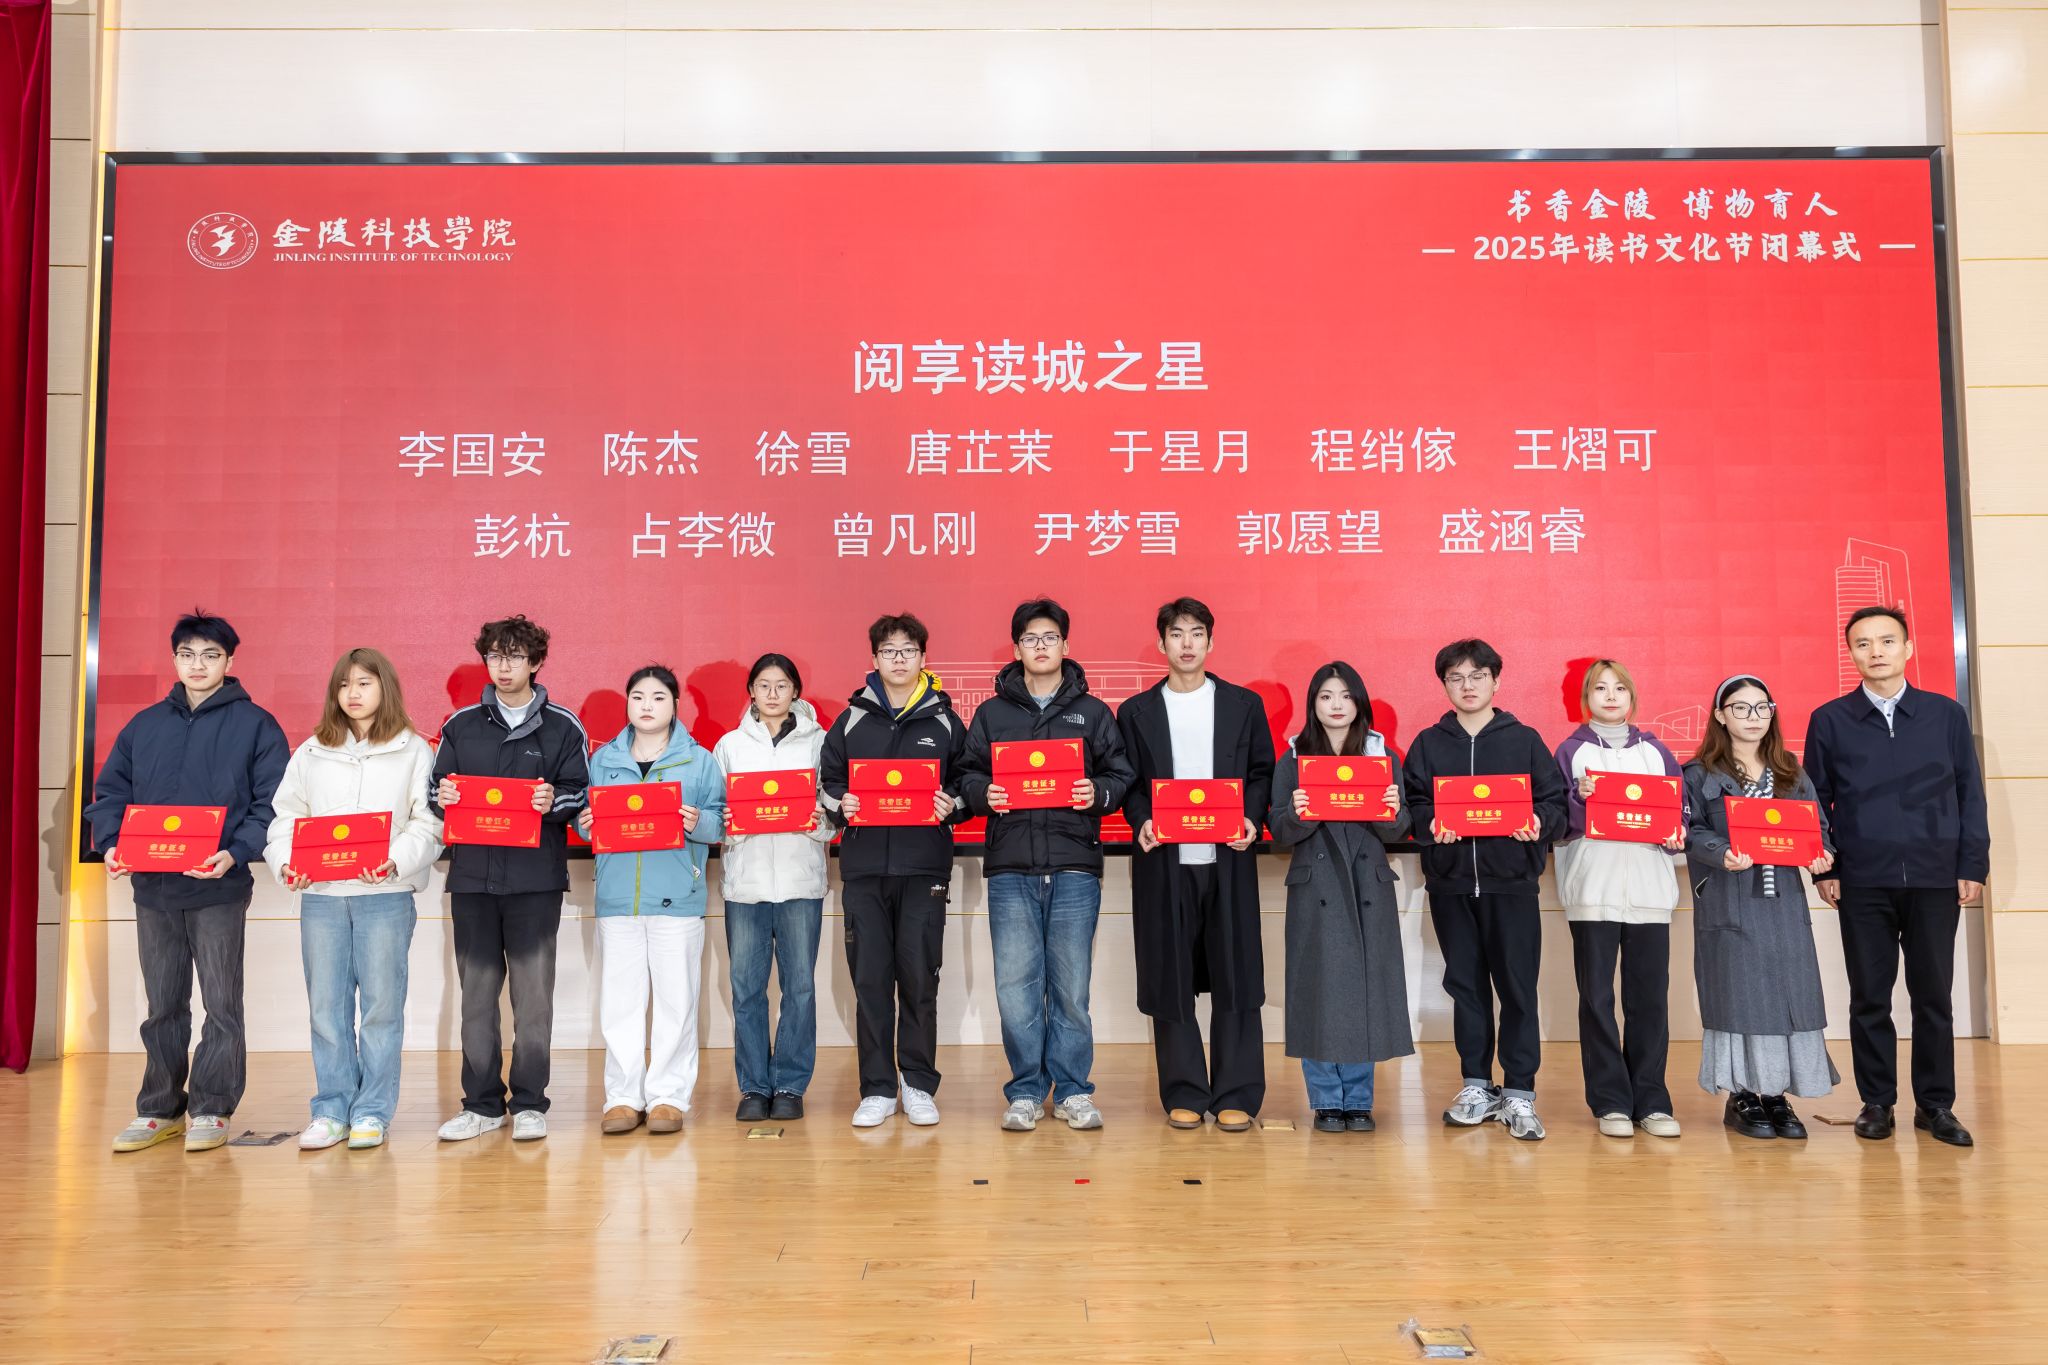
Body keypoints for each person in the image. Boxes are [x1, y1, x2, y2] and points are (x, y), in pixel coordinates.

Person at [88, 611, 290, 1154]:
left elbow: (272, 802)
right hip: (153, 888)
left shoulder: (257, 725)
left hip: (218, 886)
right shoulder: (145, 725)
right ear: (174, 659)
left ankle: (212, 1108)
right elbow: (111, 793)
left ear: (230, 661)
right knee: (162, 1005)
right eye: (187, 655)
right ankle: (159, 1109)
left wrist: (235, 852)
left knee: (222, 1004)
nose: (197, 665)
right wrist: (112, 844)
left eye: (210, 655)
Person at [1806, 607, 1988, 1148]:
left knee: (1933, 996)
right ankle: (1877, 1101)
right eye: (1863, 643)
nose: (1876, 651)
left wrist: (1971, 864)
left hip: (1935, 878)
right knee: (1869, 996)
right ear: (1851, 654)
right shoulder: (1830, 719)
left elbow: (1969, 794)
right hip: (1862, 880)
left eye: (1887, 641)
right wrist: (1828, 868)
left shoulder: (1945, 715)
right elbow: (1815, 801)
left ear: (1908, 648)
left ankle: (1936, 1105)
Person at [956, 598, 1135, 1132]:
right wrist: (984, 793)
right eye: (1030, 638)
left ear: (1065, 645)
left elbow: (1121, 776)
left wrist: (1097, 792)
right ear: (1017, 648)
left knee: (1071, 990)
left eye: (1050, 637)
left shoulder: (1093, 713)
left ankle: (1074, 1090)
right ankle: (1027, 1092)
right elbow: (966, 774)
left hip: (1075, 865)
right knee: (1016, 989)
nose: (1040, 646)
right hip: (1010, 868)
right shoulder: (992, 714)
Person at [264, 649, 442, 1152]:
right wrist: (286, 864)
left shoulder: (413, 750)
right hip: (322, 896)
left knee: (382, 1009)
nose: (353, 693)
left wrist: (393, 861)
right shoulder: (312, 751)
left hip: (384, 894)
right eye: (344, 685)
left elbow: (428, 822)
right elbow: (285, 818)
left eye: (364, 683)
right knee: (326, 1009)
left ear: (385, 687)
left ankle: (371, 1112)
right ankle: (331, 1110)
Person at [429, 615, 591, 1143]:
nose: (503, 666)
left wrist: (552, 801)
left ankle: (529, 1104)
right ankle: (480, 1106)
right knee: (476, 997)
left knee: (533, 997)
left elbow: (580, 794)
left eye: (515, 657)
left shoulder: (563, 726)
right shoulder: (460, 725)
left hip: (534, 882)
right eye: (495, 656)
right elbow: (435, 792)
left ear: (536, 662)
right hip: (473, 880)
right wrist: (445, 797)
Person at [1117, 597, 1274, 1132]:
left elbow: (1262, 772)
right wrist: (1141, 819)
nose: (1187, 643)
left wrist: (1251, 817)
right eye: (1176, 634)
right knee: (1171, 976)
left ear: (1211, 641)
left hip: (1227, 858)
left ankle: (1237, 1092)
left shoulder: (1242, 705)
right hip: (1165, 861)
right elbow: (1129, 783)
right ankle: (1183, 1089)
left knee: (1236, 973)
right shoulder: (1135, 712)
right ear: (1161, 643)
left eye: (1197, 633)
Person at [1402, 638, 1568, 1142]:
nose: (1467, 686)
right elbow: (1412, 806)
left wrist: (1538, 822)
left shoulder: (1525, 740)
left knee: (1517, 989)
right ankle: (1476, 1085)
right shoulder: (1428, 744)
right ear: (1444, 686)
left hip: (1511, 885)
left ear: (1496, 680)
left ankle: (1519, 1092)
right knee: (1466, 989)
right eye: (1456, 678)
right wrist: (1431, 825)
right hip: (1451, 886)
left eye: (1477, 676)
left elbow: (1556, 804)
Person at [819, 613, 969, 1128]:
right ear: (874, 659)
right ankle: (878, 1089)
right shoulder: (851, 720)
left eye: (908, 650)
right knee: (871, 982)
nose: (899, 659)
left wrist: (954, 803)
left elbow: (969, 781)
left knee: (920, 980)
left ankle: (919, 1084)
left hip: (924, 868)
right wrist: (842, 803)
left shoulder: (945, 720)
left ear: (924, 658)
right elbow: (827, 782)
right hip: (864, 872)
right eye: (889, 651)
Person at [1683, 675, 1840, 1140]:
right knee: (1739, 994)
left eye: (1762, 708)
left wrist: (1822, 855)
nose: (1753, 717)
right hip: (1730, 898)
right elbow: (1689, 830)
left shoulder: (1791, 771)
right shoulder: (1699, 774)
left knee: (1789, 994)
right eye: (1740, 708)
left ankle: (1776, 1095)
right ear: (1720, 715)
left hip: (1783, 902)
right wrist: (1721, 852)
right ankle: (1742, 1095)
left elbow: (1818, 828)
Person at [1263, 661, 1413, 1134]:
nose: (1336, 705)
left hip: (1368, 884)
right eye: (1326, 696)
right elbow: (1278, 830)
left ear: (1359, 703)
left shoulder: (1382, 757)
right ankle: (1327, 1100)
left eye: (1346, 696)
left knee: (1366, 990)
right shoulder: (1292, 759)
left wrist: (1390, 811)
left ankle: (1360, 1100)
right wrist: (1297, 813)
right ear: (1313, 705)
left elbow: (1400, 827)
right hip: (1316, 887)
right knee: (1318, 992)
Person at [579, 666, 724, 1136]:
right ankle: (622, 1097)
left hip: (677, 899)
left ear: (675, 705)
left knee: (676, 1003)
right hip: (618, 899)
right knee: (619, 1004)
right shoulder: (603, 759)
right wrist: (586, 823)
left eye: (658, 697)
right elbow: (587, 819)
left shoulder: (699, 761)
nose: (646, 705)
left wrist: (698, 822)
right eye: (638, 696)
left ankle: (667, 1097)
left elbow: (722, 821)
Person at [1552, 660, 1686, 1140]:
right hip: (1593, 891)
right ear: (1585, 698)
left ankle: (1652, 1101)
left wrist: (1677, 833)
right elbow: (1555, 821)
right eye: (1600, 689)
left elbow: (1681, 814)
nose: (1611, 697)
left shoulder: (1657, 752)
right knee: (1598, 999)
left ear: (1632, 696)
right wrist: (1579, 797)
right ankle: (1610, 1101)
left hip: (1650, 892)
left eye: (1620, 688)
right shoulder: (1571, 751)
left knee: (1649, 1000)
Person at [714, 654, 835, 1124]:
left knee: (799, 988)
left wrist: (817, 822)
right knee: (746, 990)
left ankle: (789, 1085)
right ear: (751, 691)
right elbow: (716, 814)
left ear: (795, 691)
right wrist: (729, 825)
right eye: (763, 685)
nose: (771, 693)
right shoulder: (729, 746)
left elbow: (833, 813)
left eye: (781, 685)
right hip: (745, 886)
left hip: (800, 882)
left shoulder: (820, 742)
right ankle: (753, 1086)